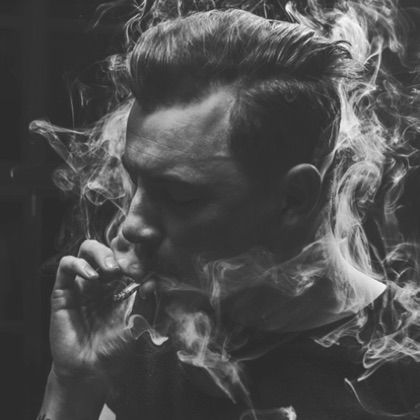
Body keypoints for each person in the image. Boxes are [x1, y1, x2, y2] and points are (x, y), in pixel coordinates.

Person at [36, 7, 420, 420]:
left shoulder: (404, 365)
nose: (131, 225)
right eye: (134, 179)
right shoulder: (130, 341)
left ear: (294, 198)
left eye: (179, 197)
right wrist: (73, 386)